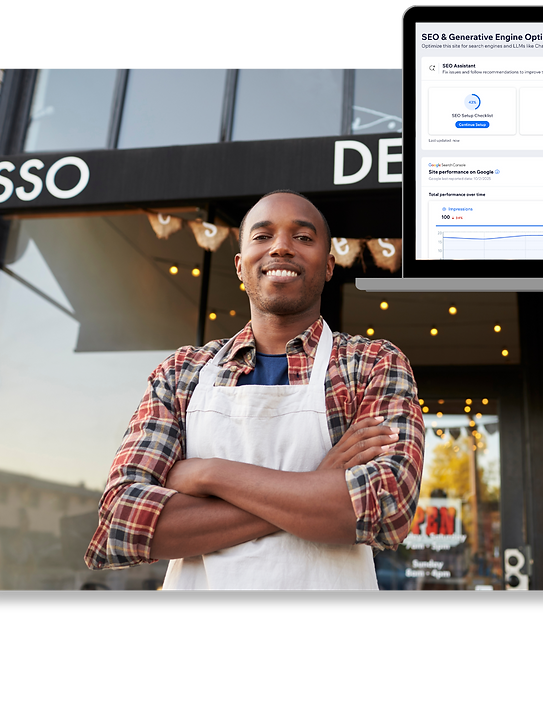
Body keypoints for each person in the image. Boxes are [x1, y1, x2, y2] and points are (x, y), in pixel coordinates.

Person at [84, 190, 425, 589]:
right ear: (240, 265)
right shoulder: (181, 373)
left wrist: (210, 474)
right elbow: (123, 523)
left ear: (330, 265)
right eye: (262, 236)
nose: (281, 247)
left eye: (303, 237)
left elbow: (387, 508)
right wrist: (317, 483)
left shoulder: (372, 364)